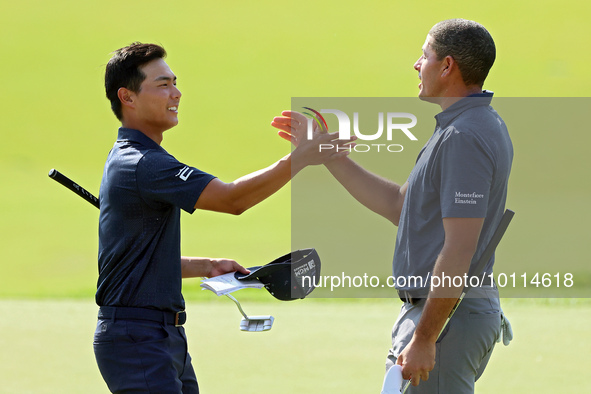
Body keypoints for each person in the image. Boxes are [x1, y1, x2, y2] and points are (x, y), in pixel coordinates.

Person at [94, 42, 351, 393]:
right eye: (163, 85)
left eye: (174, 82)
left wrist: (206, 265)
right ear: (128, 97)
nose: (177, 93)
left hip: (160, 335)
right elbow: (234, 199)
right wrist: (300, 158)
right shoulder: (145, 163)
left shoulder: (137, 157)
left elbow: (136, 262)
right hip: (138, 337)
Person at [272, 19, 513, 393]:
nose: (417, 65)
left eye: (424, 55)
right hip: (442, 314)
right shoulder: (460, 126)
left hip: (446, 319)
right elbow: (401, 206)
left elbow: (460, 247)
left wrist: (425, 338)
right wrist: (329, 156)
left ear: (447, 66)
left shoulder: (465, 136)